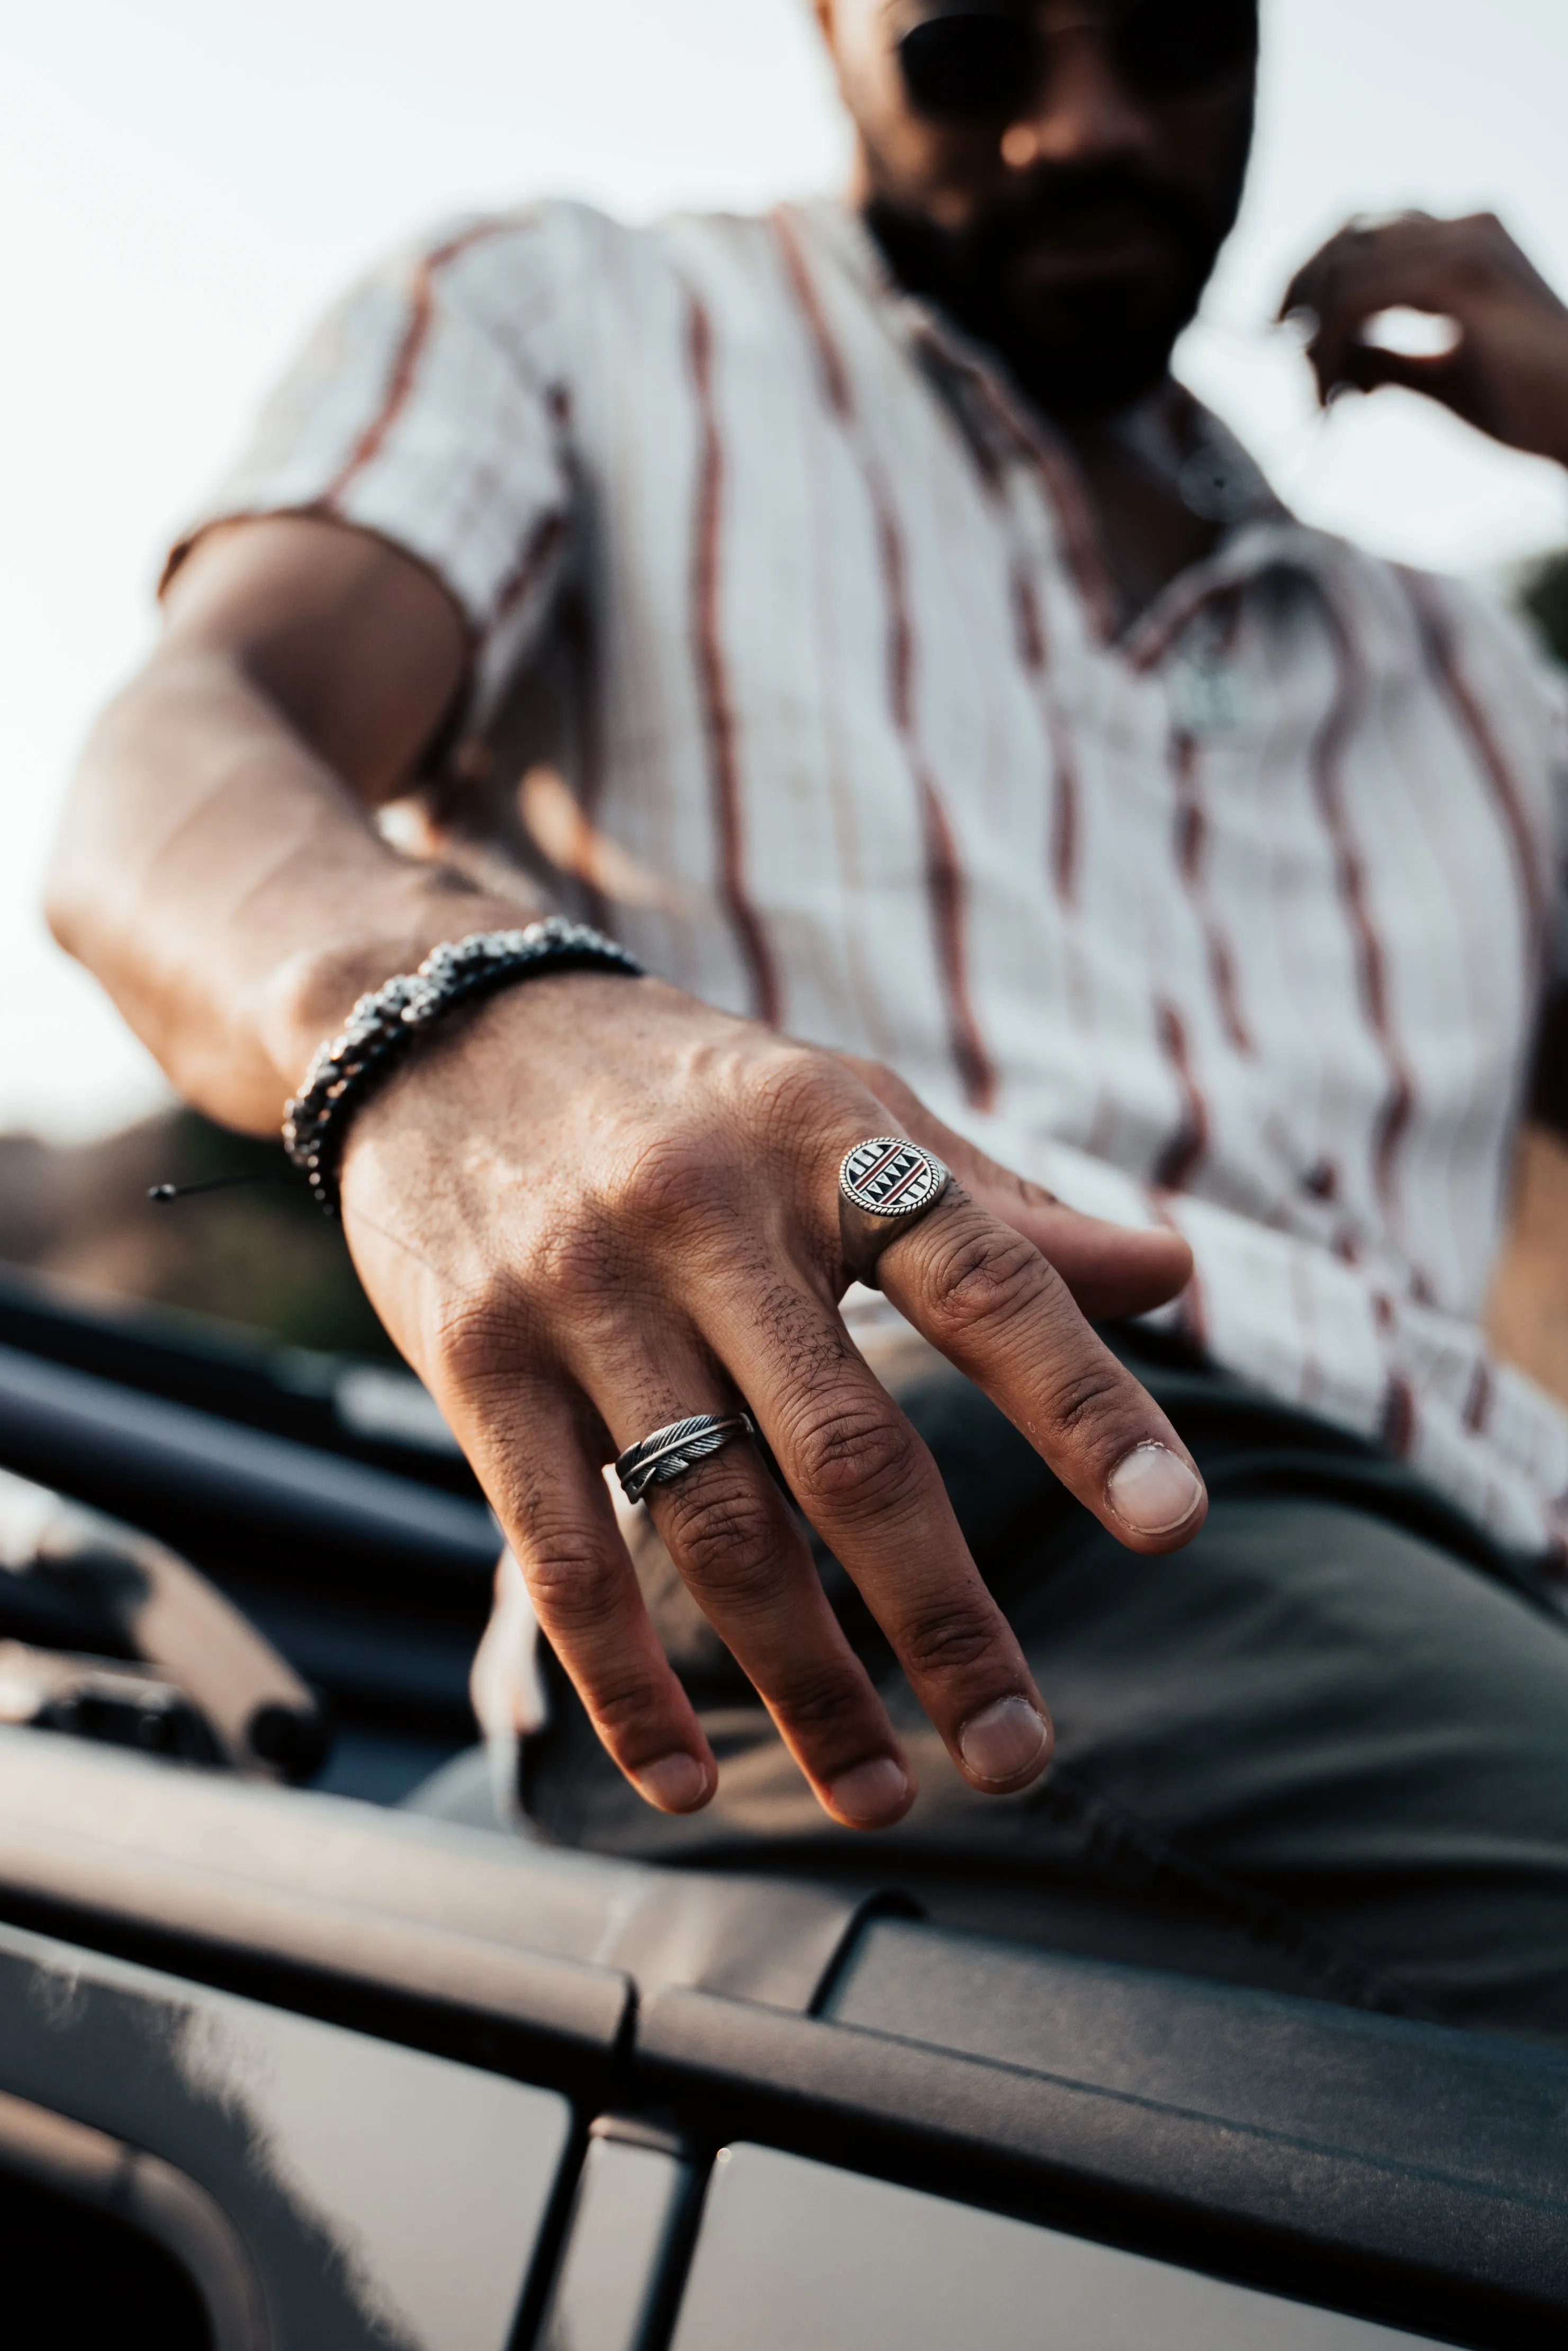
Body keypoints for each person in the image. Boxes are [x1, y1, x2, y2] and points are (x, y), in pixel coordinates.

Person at [47, 0, 1568, 2039]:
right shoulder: (581, 325)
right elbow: (174, 763)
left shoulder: (1459, 676)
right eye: (971, 55)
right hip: (892, 1472)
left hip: (1470, 1581)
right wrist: (451, 1019)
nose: (1083, 128)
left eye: (1179, 38)